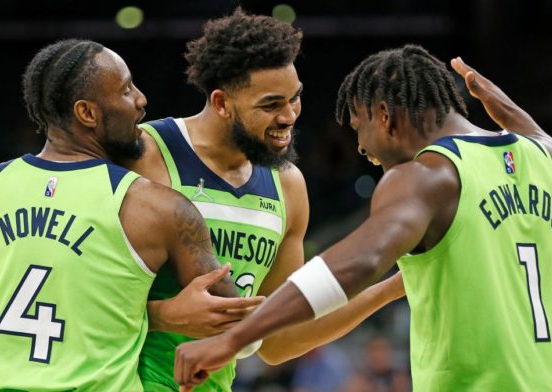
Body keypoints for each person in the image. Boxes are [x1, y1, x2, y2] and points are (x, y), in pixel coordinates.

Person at [174, 45, 552, 391]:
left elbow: (356, 261)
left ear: (384, 115)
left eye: (360, 129)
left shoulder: (424, 176)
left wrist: (234, 338)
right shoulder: (542, 158)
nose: (365, 151)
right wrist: (524, 123)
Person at [126, 9, 406, 391]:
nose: (290, 116)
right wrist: (164, 316)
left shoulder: (288, 185)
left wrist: (391, 288)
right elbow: (73, 292)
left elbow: (279, 341)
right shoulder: (145, 155)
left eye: (296, 99)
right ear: (222, 102)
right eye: (272, 105)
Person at [0, 39, 246, 391]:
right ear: (87, 113)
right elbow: (236, 323)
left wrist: (153, 315)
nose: (141, 100)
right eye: (126, 90)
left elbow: (61, 290)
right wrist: (165, 314)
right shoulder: (154, 208)